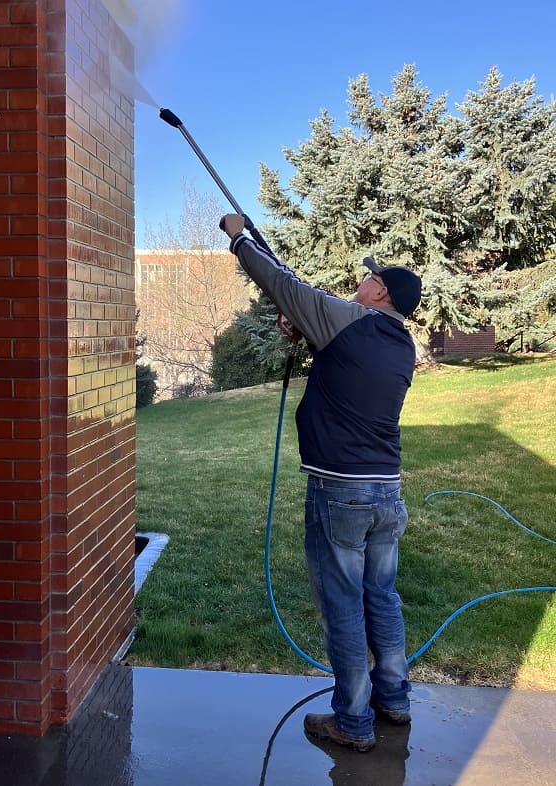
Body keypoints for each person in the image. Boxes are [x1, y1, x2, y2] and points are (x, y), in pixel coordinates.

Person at [219, 214, 422, 752]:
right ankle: (394, 701)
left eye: (369, 278)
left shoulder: (352, 319)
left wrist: (241, 238)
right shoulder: (401, 345)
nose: (362, 282)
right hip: (386, 492)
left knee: (343, 603)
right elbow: (346, 365)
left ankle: (353, 720)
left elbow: (285, 285)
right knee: (381, 595)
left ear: (379, 290)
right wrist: (308, 335)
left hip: (341, 492)